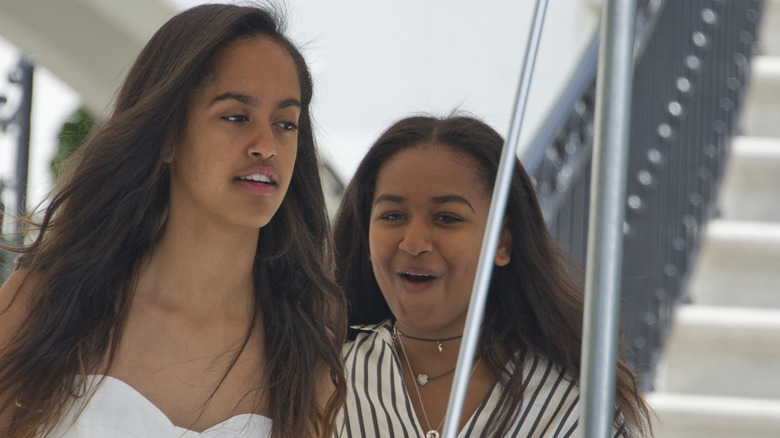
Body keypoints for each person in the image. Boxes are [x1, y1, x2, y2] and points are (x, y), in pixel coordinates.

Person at [0, 4, 346, 437]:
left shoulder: (308, 355)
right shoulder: (47, 302)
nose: (266, 145)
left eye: (285, 124)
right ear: (166, 137)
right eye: (236, 116)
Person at [332, 114, 653, 437]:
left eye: (446, 218)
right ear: (366, 237)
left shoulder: (571, 407)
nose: (414, 243)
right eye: (392, 215)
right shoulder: (321, 381)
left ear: (503, 241)